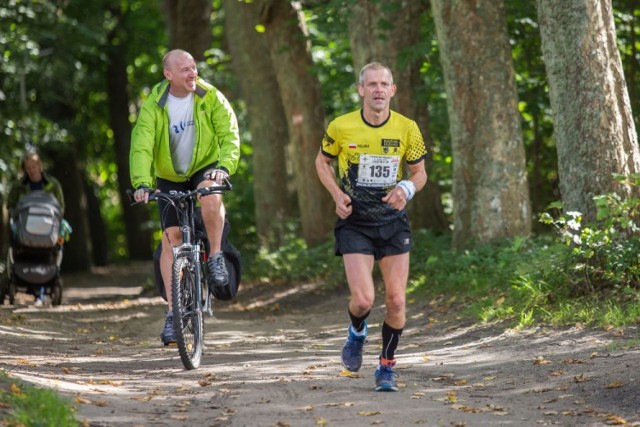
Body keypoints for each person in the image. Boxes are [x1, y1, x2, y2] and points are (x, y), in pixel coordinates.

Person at [315, 62, 427, 392]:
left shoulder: (407, 128)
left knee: (396, 301)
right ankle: (357, 332)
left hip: (393, 223)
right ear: (361, 90)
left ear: (392, 90)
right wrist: (337, 194)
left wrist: (406, 189)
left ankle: (386, 367)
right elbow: (322, 160)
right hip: (356, 223)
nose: (378, 89)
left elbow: (419, 172)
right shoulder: (341, 126)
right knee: (363, 300)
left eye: (384, 84)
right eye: (372, 84)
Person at [130, 49, 240, 346]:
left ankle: (215, 256)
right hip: (168, 174)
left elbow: (229, 133)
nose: (193, 74)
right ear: (168, 75)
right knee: (172, 237)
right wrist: (141, 183)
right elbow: (141, 144)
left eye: (194, 68)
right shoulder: (155, 104)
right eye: (185, 70)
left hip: (205, 164)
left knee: (210, 194)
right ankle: (173, 314)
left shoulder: (209, 96)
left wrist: (224, 168)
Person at [7, 151, 66, 307]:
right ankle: (31, 286)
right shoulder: (20, 186)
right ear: (25, 169)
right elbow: (11, 204)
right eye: (28, 168)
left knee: (57, 241)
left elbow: (60, 206)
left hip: (47, 227)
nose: (31, 170)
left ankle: (41, 290)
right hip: (25, 227)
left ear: (40, 166)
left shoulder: (52, 184)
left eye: (34, 167)